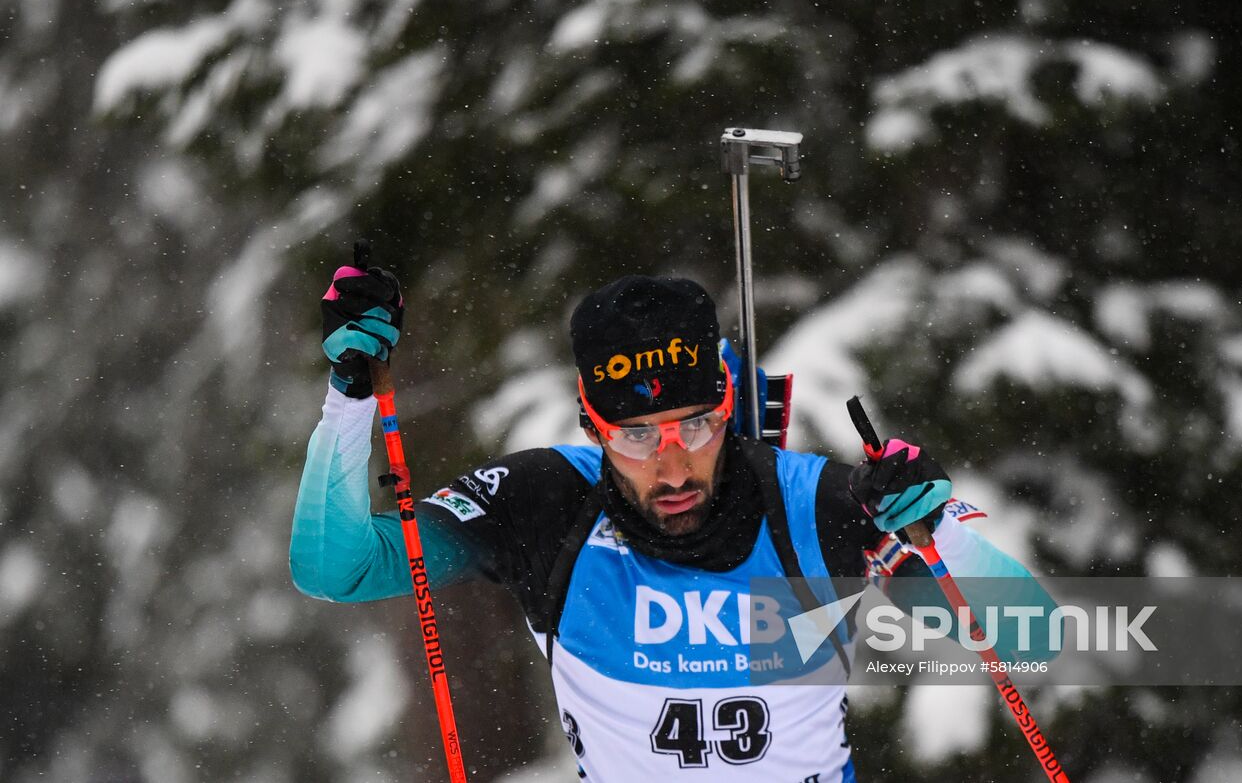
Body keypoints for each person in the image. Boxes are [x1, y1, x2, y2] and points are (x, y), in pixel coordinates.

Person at [291, 267, 1053, 781]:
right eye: (636, 436)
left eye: (695, 426)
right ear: (592, 425)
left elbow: (1038, 637)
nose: (674, 465)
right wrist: (351, 397)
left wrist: (936, 531)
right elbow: (337, 566)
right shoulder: (548, 505)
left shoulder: (815, 505)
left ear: (729, 403)